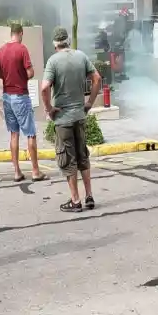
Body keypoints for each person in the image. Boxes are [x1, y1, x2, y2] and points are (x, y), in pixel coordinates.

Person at [40, 27, 101, 212]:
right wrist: (89, 102)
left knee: (69, 160)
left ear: (54, 44)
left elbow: (44, 88)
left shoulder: (53, 61)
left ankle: (75, 201)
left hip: (63, 118)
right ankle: (89, 196)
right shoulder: (81, 56)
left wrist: (49, 109)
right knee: (83, 156)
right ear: (67, 41)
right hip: (80, 116)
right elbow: (97, 78)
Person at [0, 22, 47, 182]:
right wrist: (23, 76)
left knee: (14, 134)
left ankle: (17, 172)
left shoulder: (2, 50)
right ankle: (35, 171)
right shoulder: (22, 49)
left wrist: (9, 77)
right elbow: (30, 72)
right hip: (21, 96)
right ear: (21, 33)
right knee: (30, 133)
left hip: (7, 96)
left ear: (11, 33)